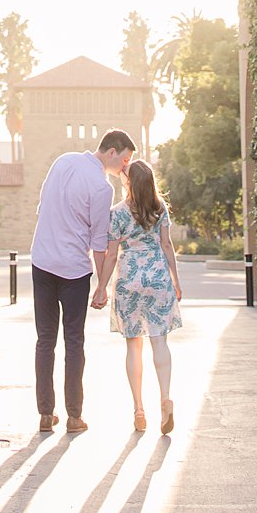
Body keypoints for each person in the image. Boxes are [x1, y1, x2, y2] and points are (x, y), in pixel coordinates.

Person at [28, 129, 136, 435]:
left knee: (45, 340)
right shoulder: (103, 189)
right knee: (74, 341)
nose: (125, 167)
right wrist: (102, 286)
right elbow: (99, 242)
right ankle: (74, 416)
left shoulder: (62, 162)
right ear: (113, 151)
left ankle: (45, 414)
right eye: (125, 159)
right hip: (74, 270)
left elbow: (43, 206)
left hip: (42, 262)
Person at [92, 157, 182, 435]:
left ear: (129, 182)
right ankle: (165, 397)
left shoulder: (117, 212)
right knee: (160, 341)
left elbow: (111, 255)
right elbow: (167, 245)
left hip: (129, 279)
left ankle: (139, 409)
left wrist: (101, 287)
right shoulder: (159, 208)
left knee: (134, 347)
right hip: (157, 276)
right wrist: (176, 281)